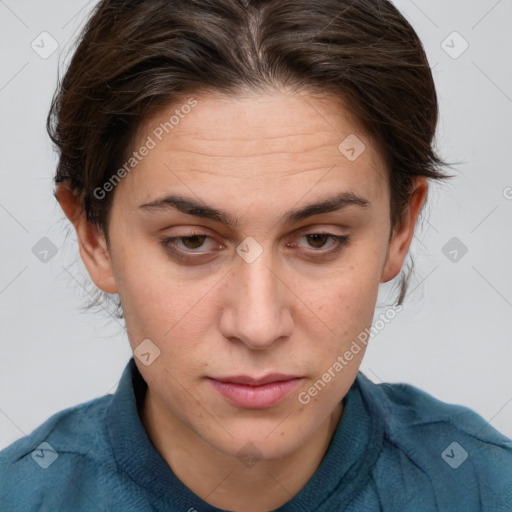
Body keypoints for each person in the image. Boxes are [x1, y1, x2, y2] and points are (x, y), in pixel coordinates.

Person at [1, 0, 511, 510]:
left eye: (319, 239)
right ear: (94, 236)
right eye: (193, 241)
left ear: (401, 227)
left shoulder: (486, 489)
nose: (258, 325)